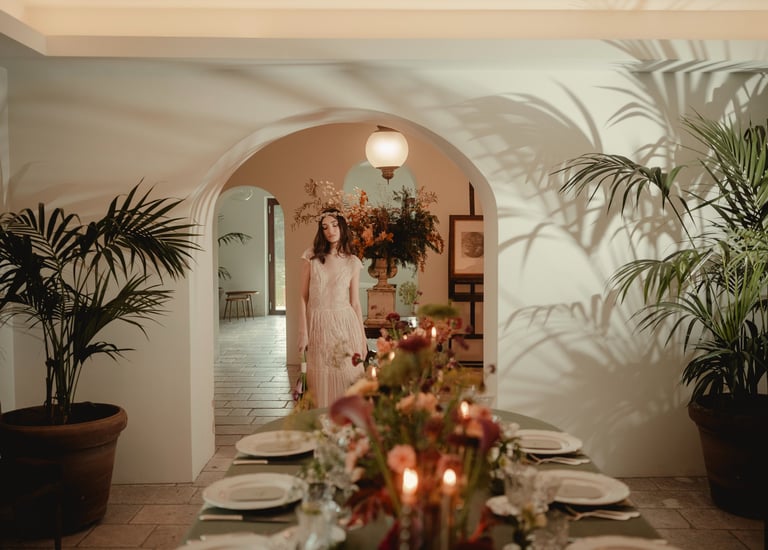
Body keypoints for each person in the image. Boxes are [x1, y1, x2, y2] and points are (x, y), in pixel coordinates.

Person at [298, 209, 367, 407]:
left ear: (342, 227)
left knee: (346, 376)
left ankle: (347, 428)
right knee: (320, 380)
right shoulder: (310, 258)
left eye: (334, 225)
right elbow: (302, 297)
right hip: (318, 325)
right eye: (325, 227)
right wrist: (303, 330)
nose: (330, 231)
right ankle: (323, 428)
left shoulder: (352, 263)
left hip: (345, 325)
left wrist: (362, 339)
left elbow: (355, 302)